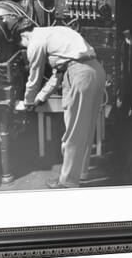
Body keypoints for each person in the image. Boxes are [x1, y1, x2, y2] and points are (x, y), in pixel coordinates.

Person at [16, 23, 106, 189]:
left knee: (73, 132)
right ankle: (81, 174)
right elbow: (58, 75)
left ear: (25, 36)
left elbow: (34, 77)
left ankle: (67, 182)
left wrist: (28, 102)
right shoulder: (55, 33)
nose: (27, 51)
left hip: (80, 75)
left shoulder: (35, 41)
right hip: (97, 71)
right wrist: (39, 98)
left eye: (24, 46)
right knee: (85, 129)